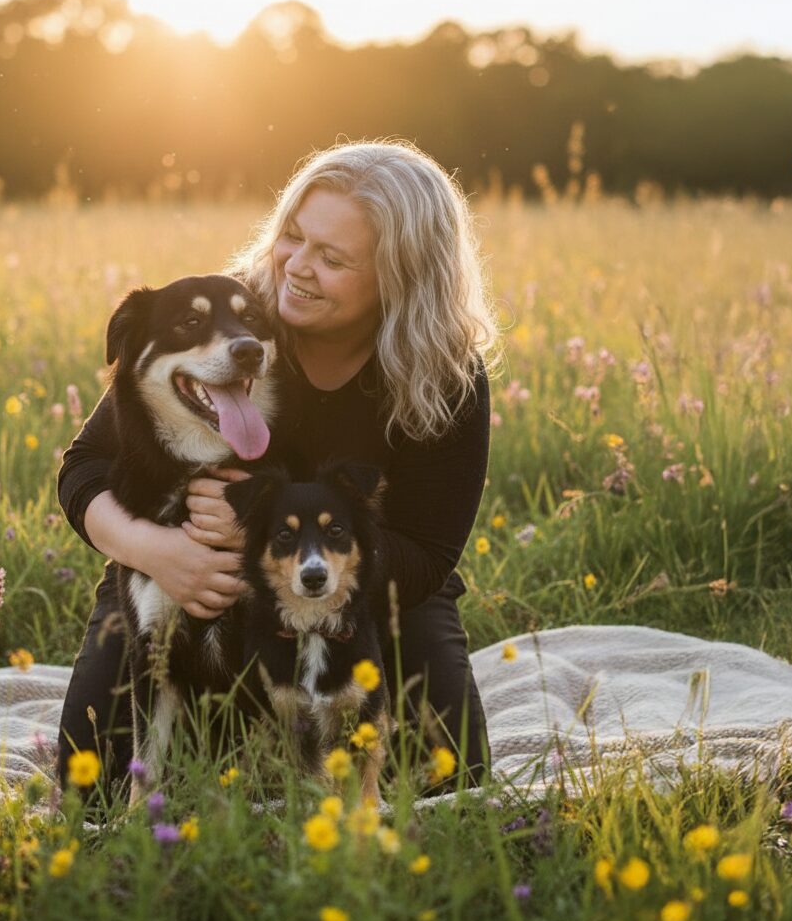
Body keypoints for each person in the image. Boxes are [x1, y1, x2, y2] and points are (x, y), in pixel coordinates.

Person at [55, 139, 499, 798]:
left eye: (333, 257)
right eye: (293, 237)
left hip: (373, 598)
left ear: (400, 275)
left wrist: (268, 552)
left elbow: (429, 556)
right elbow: (84, 469)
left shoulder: (443, 373)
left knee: (449, 771)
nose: (297, 267)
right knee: (90, 778)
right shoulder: (229, 321)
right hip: (181, 575)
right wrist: (160, 551)